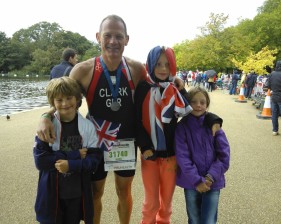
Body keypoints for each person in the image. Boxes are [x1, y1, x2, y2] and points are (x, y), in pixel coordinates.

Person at [37, 15, 220, 224]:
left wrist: (175, 80)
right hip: (96, 141)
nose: (113, 41)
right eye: (108, 35)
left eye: (118, 36)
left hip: (126, 140)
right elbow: (63, 98)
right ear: (98, 37)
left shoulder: (136, 69)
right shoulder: (83, 70)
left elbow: (158, 83)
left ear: (127, 39)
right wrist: (45, 116)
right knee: (96, 193)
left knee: (124, 191)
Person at [134, 46, 223, 224]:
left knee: (166, 202)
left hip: (171, 156)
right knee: (150, 201)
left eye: (167, 64)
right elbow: (135, 120)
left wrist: (214, 119)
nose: (163, 69)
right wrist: (144, 146)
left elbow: (195, 111)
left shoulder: (175, 88)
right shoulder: (142, 88)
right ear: (151, 64)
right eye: (158, 64)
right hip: (149, 154)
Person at [33, 77, 102, 224]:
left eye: (69, 98)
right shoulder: (46, 126)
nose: (65, 104)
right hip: (52, 194)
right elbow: (41, 161)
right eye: (59, 100)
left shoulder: (88, 127)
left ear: (78, 99)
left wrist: (71, 165)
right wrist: (75, 155)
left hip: (77, 194)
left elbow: (94, 160)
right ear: (52, 103)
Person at [175, 86, 230, 224]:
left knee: (209, 220)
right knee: (194, 219)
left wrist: (210, 177)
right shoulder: (182, 127)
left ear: (207, 105)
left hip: (213, 182)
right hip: (191, 183)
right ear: (187, 104)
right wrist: (197, 180)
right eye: (193, 102)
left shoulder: (214, 126)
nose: (198, 105)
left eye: (202, 102)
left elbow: (224, 155)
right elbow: (182, 157)